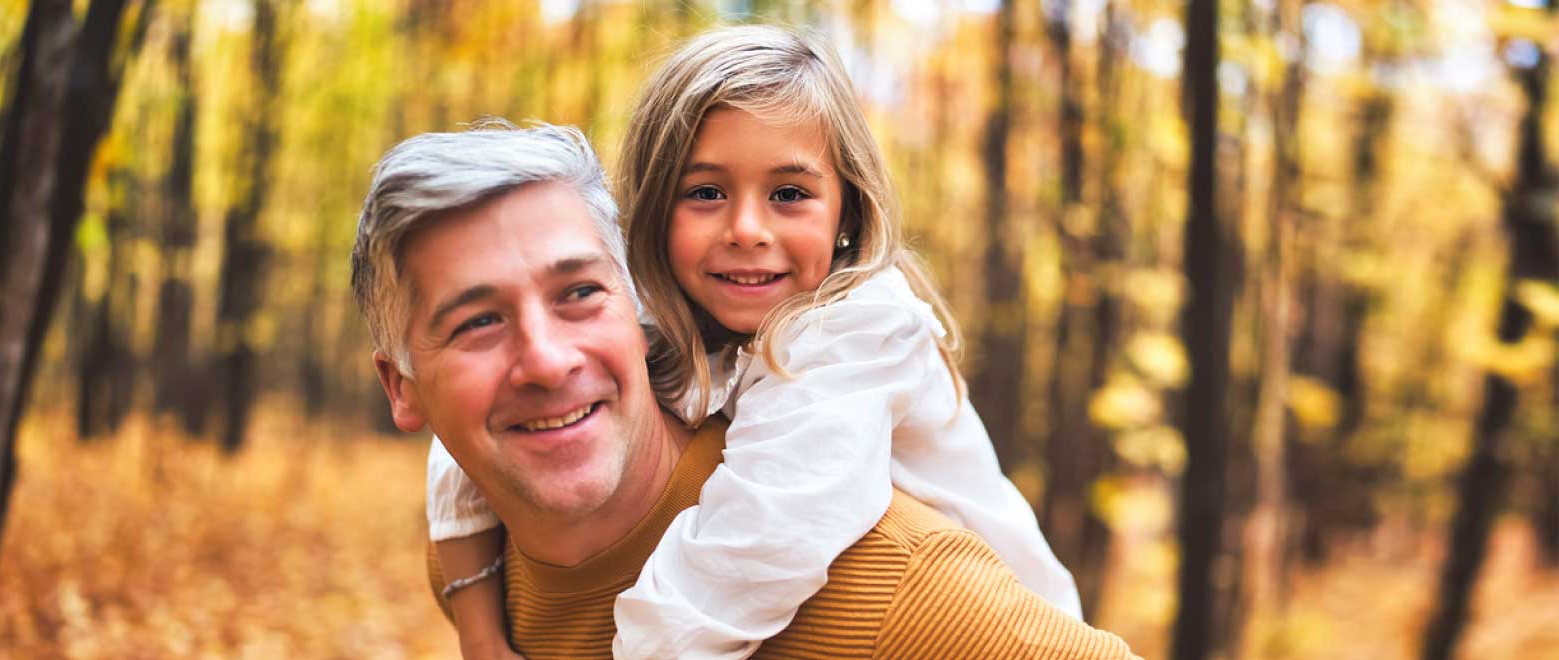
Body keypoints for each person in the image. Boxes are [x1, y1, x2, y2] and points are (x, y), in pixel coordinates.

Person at [353, 122, 1138, 660]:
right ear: (404, 388)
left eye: (579, 294)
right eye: (478, 323)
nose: (547, 362)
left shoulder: (896, 588)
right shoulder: (489, 555)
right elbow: (457, 465)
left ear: (636, 306)